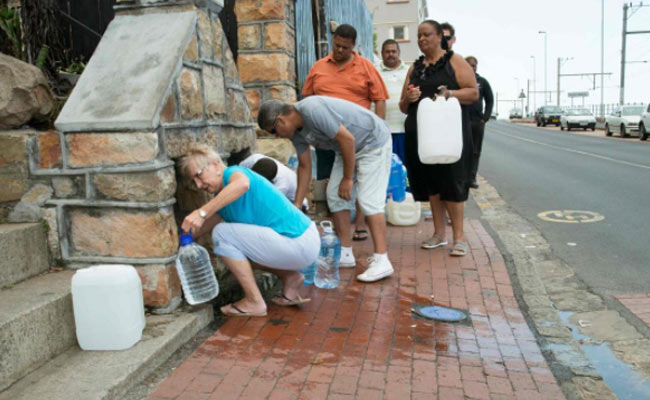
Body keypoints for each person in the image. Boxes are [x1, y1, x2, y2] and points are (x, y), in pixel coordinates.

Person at [257, 96, 394, 283]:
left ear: (280, 120)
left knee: (369, 200)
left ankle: (382, 259)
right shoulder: (296, 133)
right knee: (334, 196)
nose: (277, 136)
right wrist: (297, 203)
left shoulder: (312, 110)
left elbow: (347, 139)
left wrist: (347, 178)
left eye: (273, 131)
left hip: (372, 141)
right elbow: (305, 166)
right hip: (345, 148)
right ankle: (345, 253)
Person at [179, 145, 320, 317]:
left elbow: (242, 184)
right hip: (301, 244)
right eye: (193, 182)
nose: (198, 185)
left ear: (215, 165)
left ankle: (254, 302)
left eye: (198, 175)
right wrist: (181, 241)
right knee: (235, 250)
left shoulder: (234, 173)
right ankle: (290, 277)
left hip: (299, 240)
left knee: (221, 234)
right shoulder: (223, 200)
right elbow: (201, 227)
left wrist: (201, 212)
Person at [302, 23, 389, 242]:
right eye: (337, 45)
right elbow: (307, 99)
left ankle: (360, 224)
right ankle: (338, 229)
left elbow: (379, 99)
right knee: (330, 182)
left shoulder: (366, 67)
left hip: (358, 137)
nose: (340, 50)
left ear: (354, 46)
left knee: (358, 180)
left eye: (345, 48)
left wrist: (377, 127)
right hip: (327, 137)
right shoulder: (319, 67)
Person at [398, 20, 478, 257]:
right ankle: (439, 234)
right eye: (418, 36)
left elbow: (473, 92)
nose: (422, 40)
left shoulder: (455, 61)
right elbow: (403, 106)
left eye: (426, 35)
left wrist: (450, 93)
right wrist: (409, 98)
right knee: (431, 183)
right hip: (422, 136)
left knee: (452, 182)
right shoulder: (415, 68)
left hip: (449, 134)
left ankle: (459, 237)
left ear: (439, 36)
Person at [377, 39, 410, 164]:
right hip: (384, 131)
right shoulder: (374, 72)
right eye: (387, 52)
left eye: (393, 51)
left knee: (404, 169)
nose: (391, 54)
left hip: (404, 130)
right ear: (382, 53)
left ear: (399, 53)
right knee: (386, 169)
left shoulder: (409, 71)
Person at [238, 152, 308, 210]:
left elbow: (266, 206)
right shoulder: (253, 159)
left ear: (271, 182)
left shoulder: (281, 185)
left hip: (294, 204)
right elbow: (235, 172)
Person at [465, 56, 494, 189]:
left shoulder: (482, 82)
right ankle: (462, 178)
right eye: (469, 65)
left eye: (474, 66)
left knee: (475, 151)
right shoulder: (460, 81)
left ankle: (472, 178)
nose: (472, 68)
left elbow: (490, 100)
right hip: (463, 121)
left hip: (477, 122)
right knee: (462, 151)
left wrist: (485, 118)